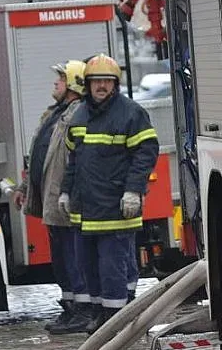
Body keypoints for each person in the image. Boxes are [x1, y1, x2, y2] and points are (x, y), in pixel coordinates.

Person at [56, 53, 159, 335]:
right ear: (87, 85)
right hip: (85, 209)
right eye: (96, 81)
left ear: (115, 85)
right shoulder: (79, 116)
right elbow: (74, 160)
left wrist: (133, 191)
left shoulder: (131, 113)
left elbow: (146, 153)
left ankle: (115, 321)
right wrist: (66, 192)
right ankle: (103, 315)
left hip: (115, 207)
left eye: (107, 81)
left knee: (112, 267)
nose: (101, 86)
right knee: (89, 267)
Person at [14, 60, 90, 332]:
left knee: (73, 256)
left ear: (73, 84)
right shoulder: (54, 114)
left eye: (60, 79)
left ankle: (83, 310)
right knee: (61, 258)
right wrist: (24, 187)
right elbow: (41, 154)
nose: (55, 84)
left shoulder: (78, 114)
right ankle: (70, 307)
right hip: (51, 197)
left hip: (65, 200)